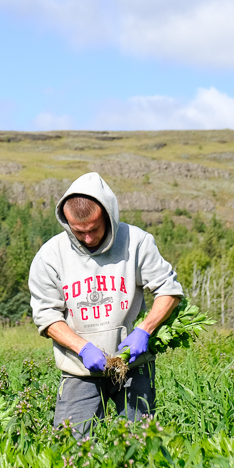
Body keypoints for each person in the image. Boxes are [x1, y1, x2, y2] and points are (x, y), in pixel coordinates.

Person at [29, 172, 183, 438]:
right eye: (79, 232)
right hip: (80, 370)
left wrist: (144, 330)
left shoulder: (137, 243)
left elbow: (169, 291)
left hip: (134, 368)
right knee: (69, 446)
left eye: (94, 229)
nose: (88, 238)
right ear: (66, 222)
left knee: (141, 445)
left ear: (109, 217)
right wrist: (83, 347)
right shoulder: (50, 256)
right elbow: (46, 316)